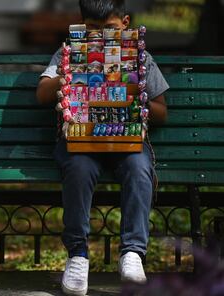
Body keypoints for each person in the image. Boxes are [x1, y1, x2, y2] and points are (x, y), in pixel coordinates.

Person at [36, 1, 169, 295]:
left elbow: (162, 111)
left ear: (125, 22)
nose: (101, 36)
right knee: (79, 169)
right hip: (81, 141)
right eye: (93, 29)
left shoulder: (139, 57)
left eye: (108, 28)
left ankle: (133, 253)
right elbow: (43, 92)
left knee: (139, 169)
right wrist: (72, 70)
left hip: (128, 140)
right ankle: (78, 255)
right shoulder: (69, 51)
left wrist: (138, 93)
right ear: (82, 27)